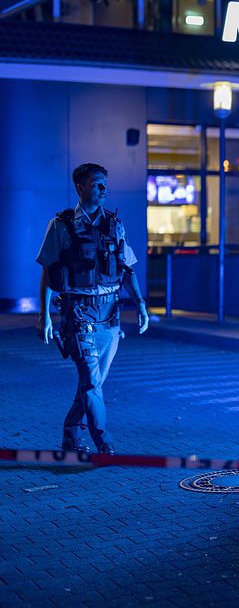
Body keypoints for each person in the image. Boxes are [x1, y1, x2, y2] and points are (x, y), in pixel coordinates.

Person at [35, 163, 149, 455]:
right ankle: (104, 444)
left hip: (109, 318)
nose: (104, 189)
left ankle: (71, 436)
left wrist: (140, 304)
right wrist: (44, 315)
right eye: (97, 184)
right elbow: (49, 271)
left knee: (92, 384)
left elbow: (127, 269)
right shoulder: (61, 225)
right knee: (91, 383)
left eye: (105, 184)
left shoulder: (114, 224)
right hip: (79, 316)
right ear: (80, 187)